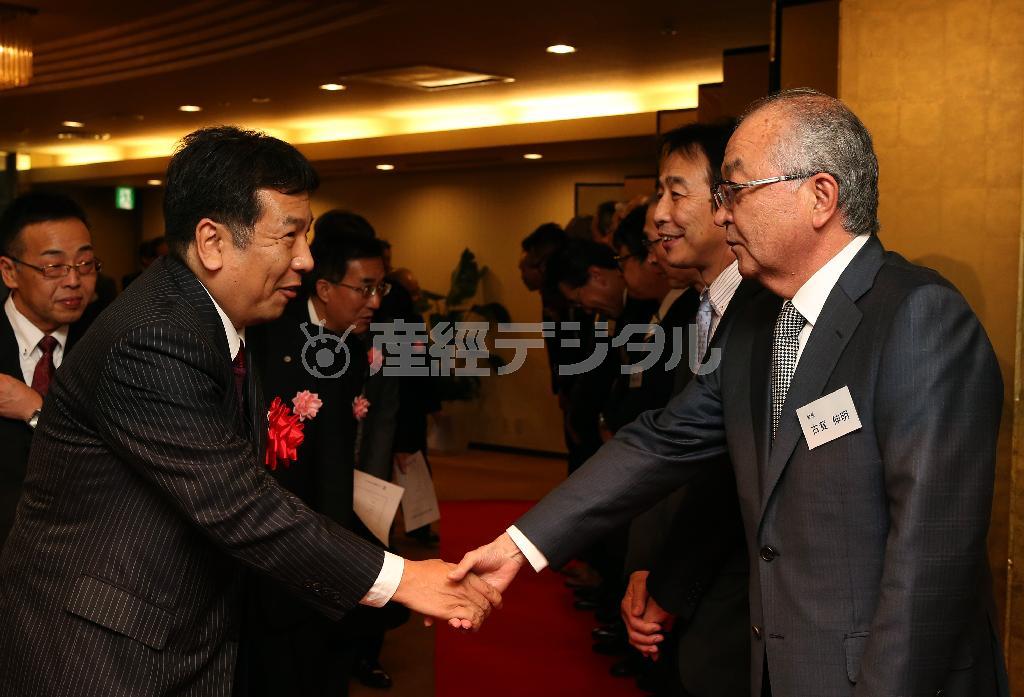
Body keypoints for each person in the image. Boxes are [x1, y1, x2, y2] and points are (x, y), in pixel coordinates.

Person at [453, 89, 1008, 697]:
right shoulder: (755, 322)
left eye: (735, 192)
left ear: (819, 196)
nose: (720, 216)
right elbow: (660, 443)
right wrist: (519, 544)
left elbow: (930, 562)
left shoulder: (917, 317)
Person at [0, 126, 500, 697]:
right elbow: (235, 502)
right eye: (288, 236)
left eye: (306, 235)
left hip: (174, 623)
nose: (306, 259)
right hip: (100, 649)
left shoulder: (215, 320)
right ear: (212, 241)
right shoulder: (155, 336)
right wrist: (404, 576)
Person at [246, 234, 405, 696]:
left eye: (382, 288)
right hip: (283, 527)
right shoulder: (272, 332)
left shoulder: (362, 342)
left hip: (342, 511)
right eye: (365, 288)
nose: (375, 301)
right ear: (325, 288)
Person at [0, 192, 97, 548]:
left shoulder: (112, 343)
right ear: (10, 272)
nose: (74, 280)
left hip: (84, 559)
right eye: (53, 267)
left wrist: (35, 410)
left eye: (85, 264)